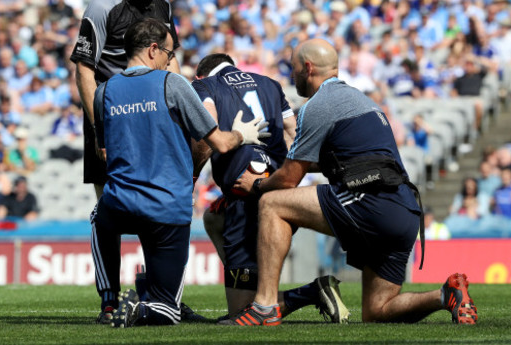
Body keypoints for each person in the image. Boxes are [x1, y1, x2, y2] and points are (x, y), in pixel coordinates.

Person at [228, 38, 477, 326]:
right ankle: (446, 294)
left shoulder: (318, 104)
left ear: (308, 68)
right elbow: (343, 162)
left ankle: (264, 306)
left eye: (293, 68)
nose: (291, 74)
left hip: (371, 202)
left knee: (272, 203)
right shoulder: (362, 101)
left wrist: (256, 185)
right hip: (405, 210)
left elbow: (288, 181)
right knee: (377, 311)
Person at [90, 18, 268, 328]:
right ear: (153, 50)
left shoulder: (103, 92)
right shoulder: (172, 84)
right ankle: (141, 307)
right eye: (170, 54)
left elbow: (103, 152)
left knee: (99, 217)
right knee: (168, 311)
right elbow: (220, 144)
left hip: (120, 203)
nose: (171, 61)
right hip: (167, 208)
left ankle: (109, 301)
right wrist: (241, 133)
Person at [191, 53, 348, 322]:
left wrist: (191, 175)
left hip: (246, 186)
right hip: (275, 185)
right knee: (214, 217)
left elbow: (206, 133)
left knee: (241, 315)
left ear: (200, 75)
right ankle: (265, 289)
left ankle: (310, 293)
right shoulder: (270, 84)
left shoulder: (205, 86)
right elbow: (292, 131)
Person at [70, 0, 180, 201]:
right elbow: (84, 69)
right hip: (111, 116)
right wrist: (100, 130)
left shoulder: (162, 1)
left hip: (150, 114)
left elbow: (170, 56)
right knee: (109, 207)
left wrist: (179, 109)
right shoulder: (102, 6)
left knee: (154, 204)